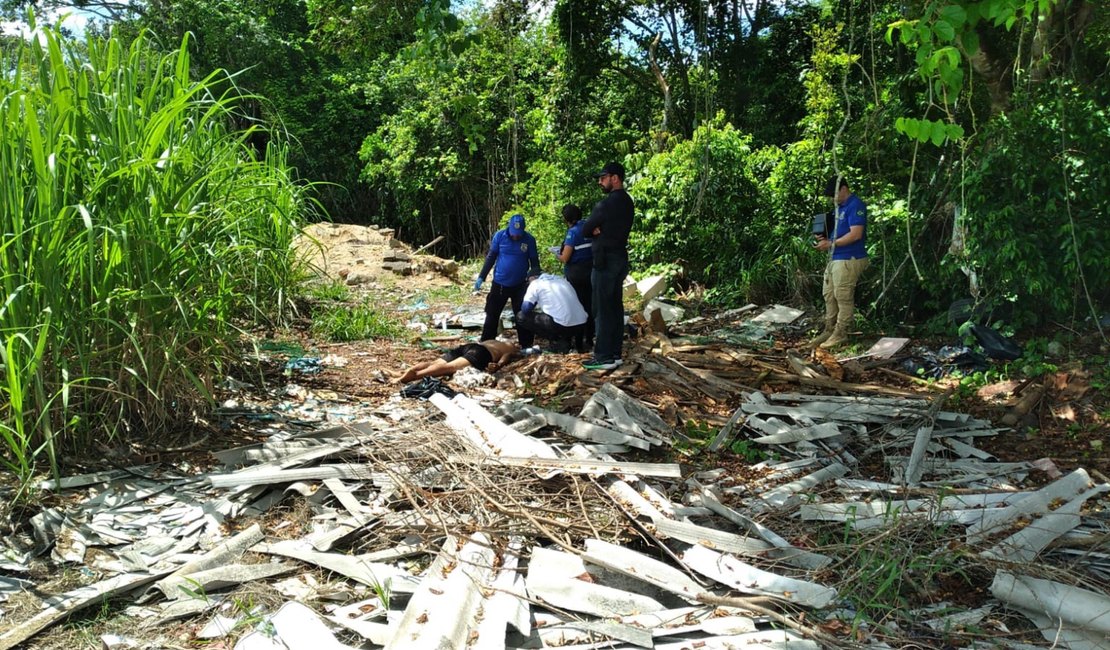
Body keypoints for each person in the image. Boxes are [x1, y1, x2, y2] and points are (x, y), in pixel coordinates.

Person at [581, 161, 634, 370]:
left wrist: (596, 229)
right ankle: (615, 353)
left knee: (602, 309)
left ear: (615, 178)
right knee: (615, 307)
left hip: (604, 261)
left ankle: (603, 356)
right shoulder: (628, 202)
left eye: (603, 178)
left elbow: (586, 228)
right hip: (620, 258)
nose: (600, 182)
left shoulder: (606, 204)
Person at [808, 175, 869, 349]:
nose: (832, 198)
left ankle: (841, 333)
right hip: (835, 257)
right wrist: (824, 237)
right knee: (829, 294)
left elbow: (856, 234)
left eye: (834, 194)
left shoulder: (855, 205)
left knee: (843, 296)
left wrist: (830, 244)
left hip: (849, 257)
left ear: (843, 189)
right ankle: (830, 329)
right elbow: (837, 232)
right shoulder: (838, 208)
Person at [473, 213, 541, 348]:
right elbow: (491, 257)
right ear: (509, 228)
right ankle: (486, 343)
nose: (516, 236)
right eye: (514, 233)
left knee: (522, 315)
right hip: (500, 283)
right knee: (492, 314)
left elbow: (534, 262)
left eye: (519, 233)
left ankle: (526, 345)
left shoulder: (529, 240)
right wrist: (482, 276)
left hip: (520, 284)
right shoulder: (500, 236)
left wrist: (534, 276)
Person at [515, 274, 589, 354]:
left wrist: (534, 301)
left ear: (531, 278)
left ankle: (557, 341)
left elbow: (525, 308)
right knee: (559, 316)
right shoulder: (562, 280)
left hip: (562, 326)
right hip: (581, 324)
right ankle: (574, 344)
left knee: (521, 316)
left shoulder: (535, 283)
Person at [556, 204, 594, 352]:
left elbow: (566, 257)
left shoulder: (573, 232)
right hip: (591, 271)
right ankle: (589, 337)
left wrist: (557, 255)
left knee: (577, 306)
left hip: (577, 274)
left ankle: (579, 341)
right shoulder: (588, 226)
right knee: (589, 305)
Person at [398, 340, 520, 383]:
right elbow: (506, 357)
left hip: (469, 346)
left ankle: (409, 371)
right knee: (450, 367)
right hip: (481, 353)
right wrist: (499, 365)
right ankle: (415, 376)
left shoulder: (494, 341)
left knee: (435, 363)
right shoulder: (511, 348)